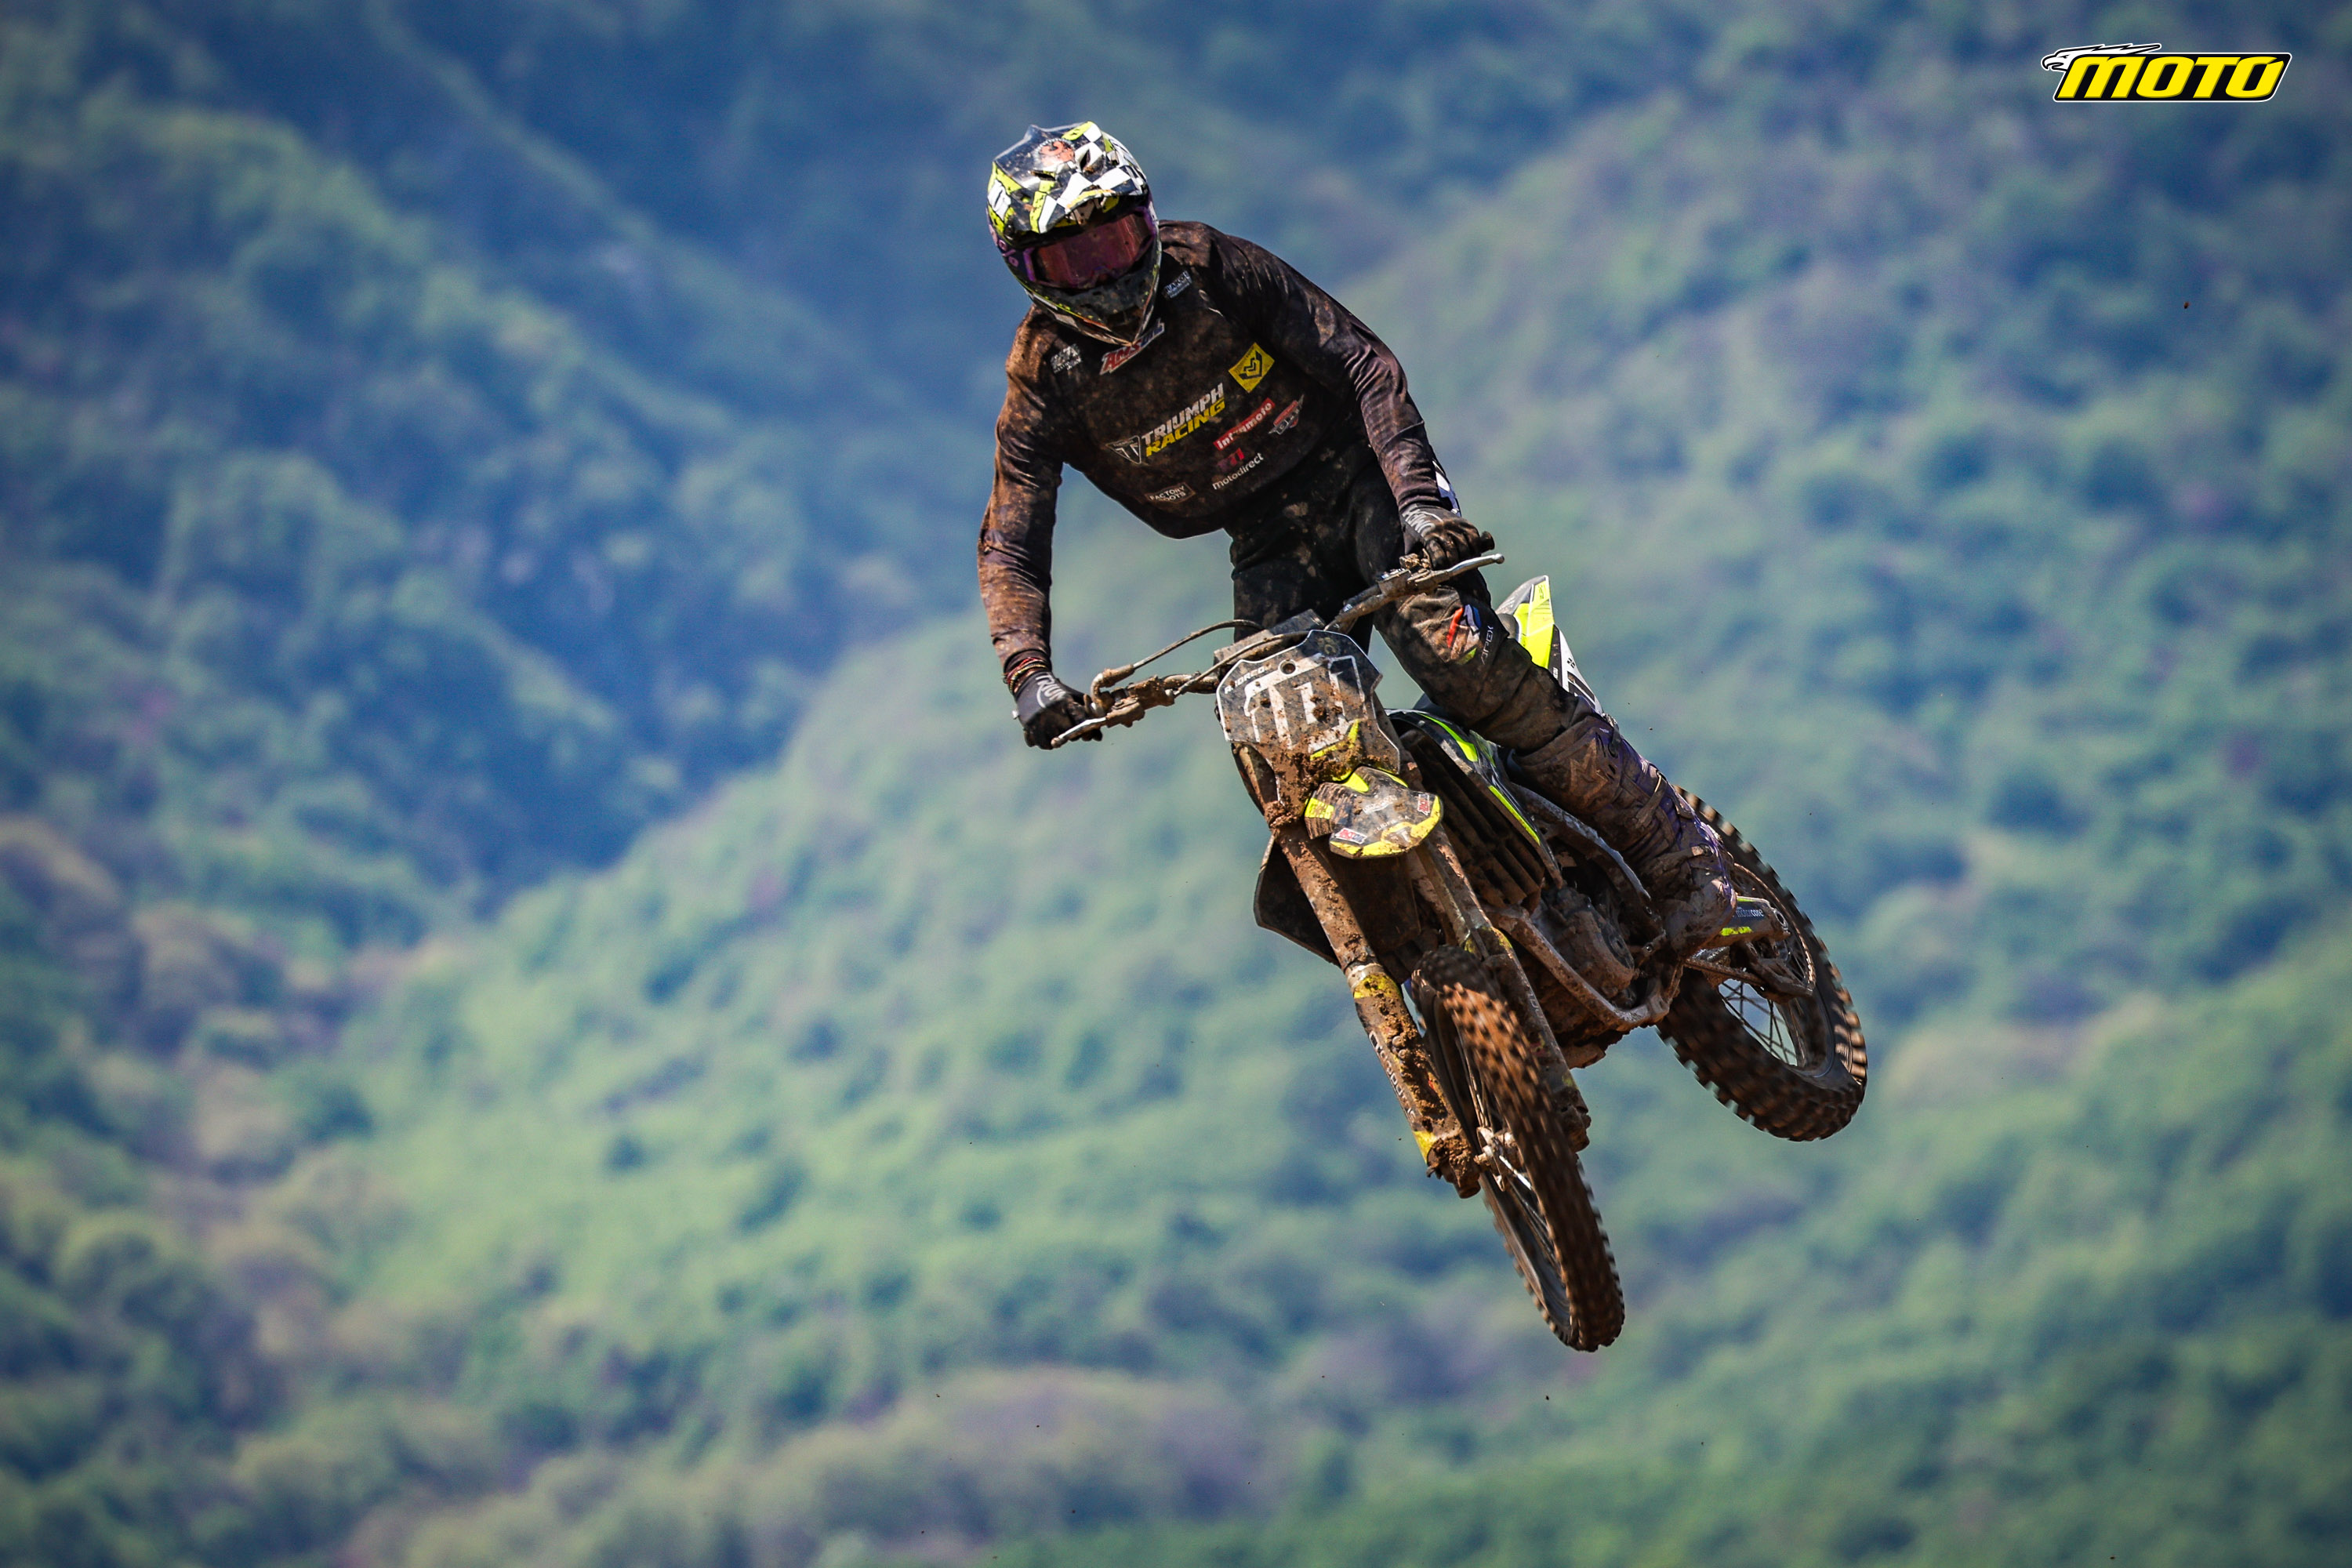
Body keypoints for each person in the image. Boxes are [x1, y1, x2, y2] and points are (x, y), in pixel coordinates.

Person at [975, 122, 1731, 957]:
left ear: (1149, 220)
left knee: (1455, 657)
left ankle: (1685, 863)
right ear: (1027, 272)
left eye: (1117, 239)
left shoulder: (1215, 269)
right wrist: (1029, 674)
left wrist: (1421, 506)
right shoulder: (1042, 382)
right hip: (1266, 542)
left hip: (1362, 477)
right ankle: (1450, 934)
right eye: (1075, 260)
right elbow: (1011, 540)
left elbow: (1364, 364)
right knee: (1282, 749)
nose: (1109, 275)